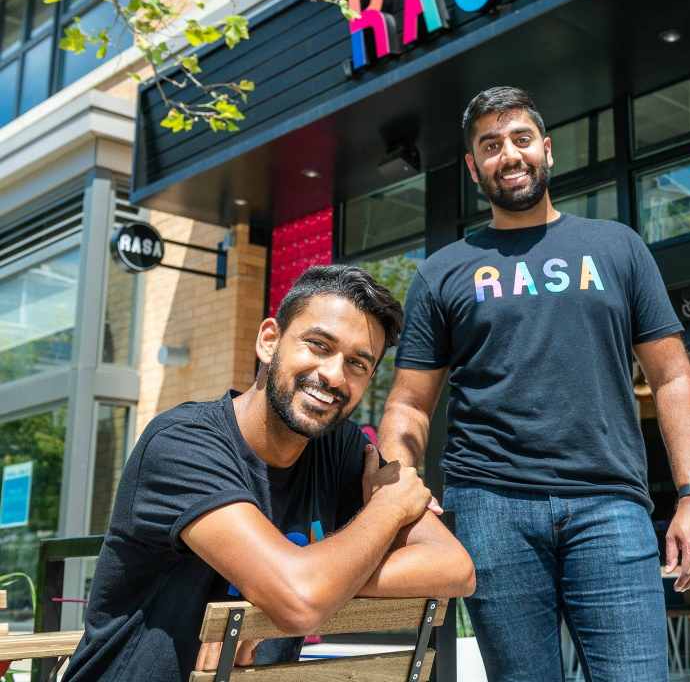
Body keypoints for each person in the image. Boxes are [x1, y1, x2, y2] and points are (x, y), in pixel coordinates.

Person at [378, 87, 690, 681]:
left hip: (610, 504)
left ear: (547, 150)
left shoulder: (618, 247)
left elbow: (672, 377)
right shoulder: (440, 273)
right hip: (489, 506)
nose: (508, 154)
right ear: (472, 167)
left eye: (521, 139)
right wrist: (402, 485)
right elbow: (408, 404)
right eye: (490, 145)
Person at [64, 265, 475, 682]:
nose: (334, 374)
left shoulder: (341, 449)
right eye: (318, 345)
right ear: (269, 341)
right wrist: (386, 510)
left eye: (357, 364)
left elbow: (455, 567)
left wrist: (300, 588)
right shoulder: (183, 445)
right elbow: (300, 600)